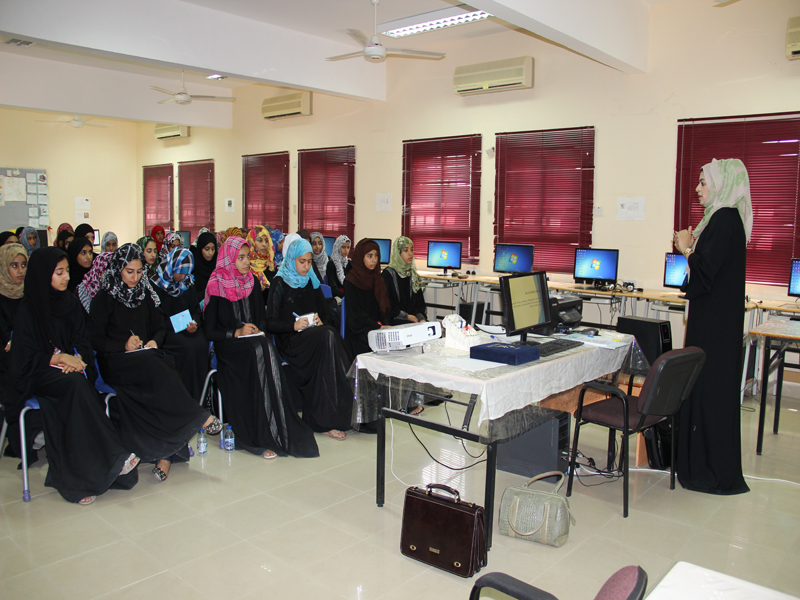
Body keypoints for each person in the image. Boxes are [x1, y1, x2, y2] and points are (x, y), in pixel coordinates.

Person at [11, 247, 140, 505]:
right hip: (40, 374)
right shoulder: (29, 309)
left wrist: (78, 359)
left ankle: (94, 472)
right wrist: (59, 358)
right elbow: (24, 357)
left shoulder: (70, 303)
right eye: (59, 272)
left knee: (76, 384)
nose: (66, 277)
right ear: (44, 274)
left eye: (67, 271)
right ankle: (108, 460)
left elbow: (83, 340)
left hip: (72, 371)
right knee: (74, 386)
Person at [89, 243, 219, 482]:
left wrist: (153, 342)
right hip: (116, 362)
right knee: (161, 367)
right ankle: (198, 417)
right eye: (129, 271)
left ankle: (166, 455)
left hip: (146, 358)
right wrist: (123, 345)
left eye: (139, 272)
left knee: (162, 367)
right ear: (118, 269)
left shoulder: (145, 293)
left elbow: (159, 328)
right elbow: (95, 338)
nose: (135, 277)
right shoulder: (104, 297)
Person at [673, 158, 752, 496]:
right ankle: (702, 465)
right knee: (707, 398)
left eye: (703, 183)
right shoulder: (723, 220)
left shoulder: (722, 221)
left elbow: (704, 275)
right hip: (717, 327)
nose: (697, 189)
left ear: (721, 185)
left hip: (714, 333)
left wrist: (686, 248)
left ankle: (708, 472)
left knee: (708, 398)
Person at [203, 236, 318, 459]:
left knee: (266, 347)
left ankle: (277, 428)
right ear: (229, 259)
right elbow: (210, 332)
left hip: (253, 340)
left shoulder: (252, 282)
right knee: (258, 350)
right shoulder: (215, 284)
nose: (247, 262)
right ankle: (255, 434)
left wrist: (256, 329)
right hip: (228, 347)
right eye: (242, 258)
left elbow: (263, 320)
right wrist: (236, 332)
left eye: (248, 257)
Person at [266, 238, 354, 440]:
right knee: (328, 338)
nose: (306, 267)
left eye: (308, 262)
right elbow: (269, 322)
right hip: (291, 341)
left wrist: (321, 320)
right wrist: (293, 325)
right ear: (291, 260)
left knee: (328, 336)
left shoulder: (312, 280)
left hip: (316, 337)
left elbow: (327, 313)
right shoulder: (279, 282)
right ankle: (328, 419)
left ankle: (338, 416)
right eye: (302, 262)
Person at [152, 247, 208, 399]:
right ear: (172, 267)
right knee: (188, 348)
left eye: (186, 272)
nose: (184, 276)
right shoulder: (155, 286)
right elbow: (156, 318)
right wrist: (179, 325)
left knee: (202, 344)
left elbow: (195, 310)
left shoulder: (187, 283)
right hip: (167, 331)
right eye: (181, 272)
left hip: (187, 329)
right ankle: (186, 396)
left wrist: (195, 322)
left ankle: (201, 396)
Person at [0, 244, 27, 460]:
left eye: (24, 265)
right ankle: (21, 437)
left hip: (25, 354)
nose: (20, 271)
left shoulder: (29, 295)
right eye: (14, 265)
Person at [343, 238, 391, 357]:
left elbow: (383, 307)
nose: (374, 260)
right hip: (359, 329)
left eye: (376, 255)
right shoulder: (350, 281)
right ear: (360, 257)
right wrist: (378, 327)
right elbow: (357, 315)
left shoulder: (377, 278)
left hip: (376, 325)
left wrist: (386, 324)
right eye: (369, 256)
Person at [382, 236, 427, 325]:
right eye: (406, 250)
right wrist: (408, 316)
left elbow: (419, 304)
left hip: (413, 320)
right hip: (395, 319)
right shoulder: (388, 275)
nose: (410, 254)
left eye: (412, 250)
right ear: (398, 253)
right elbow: (387, 307)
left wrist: (421, 318)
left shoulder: (413, 275)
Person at [76, 251, 113, 316]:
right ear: (97, 270)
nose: (110, 276)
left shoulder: (119, 293)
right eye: (106, 272)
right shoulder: (81, 293)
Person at [246, 225, 276, 301]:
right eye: (260, 240)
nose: (264, 244)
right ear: (252, 242)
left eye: (266, 241)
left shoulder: (271, 266)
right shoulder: (246, 268)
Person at [191, 230, 218, 301]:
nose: (210, 253)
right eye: (207, 249)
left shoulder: (218, 267)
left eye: (213, 249)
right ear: (200, 249)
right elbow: (192, 297)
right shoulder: (193, 267)